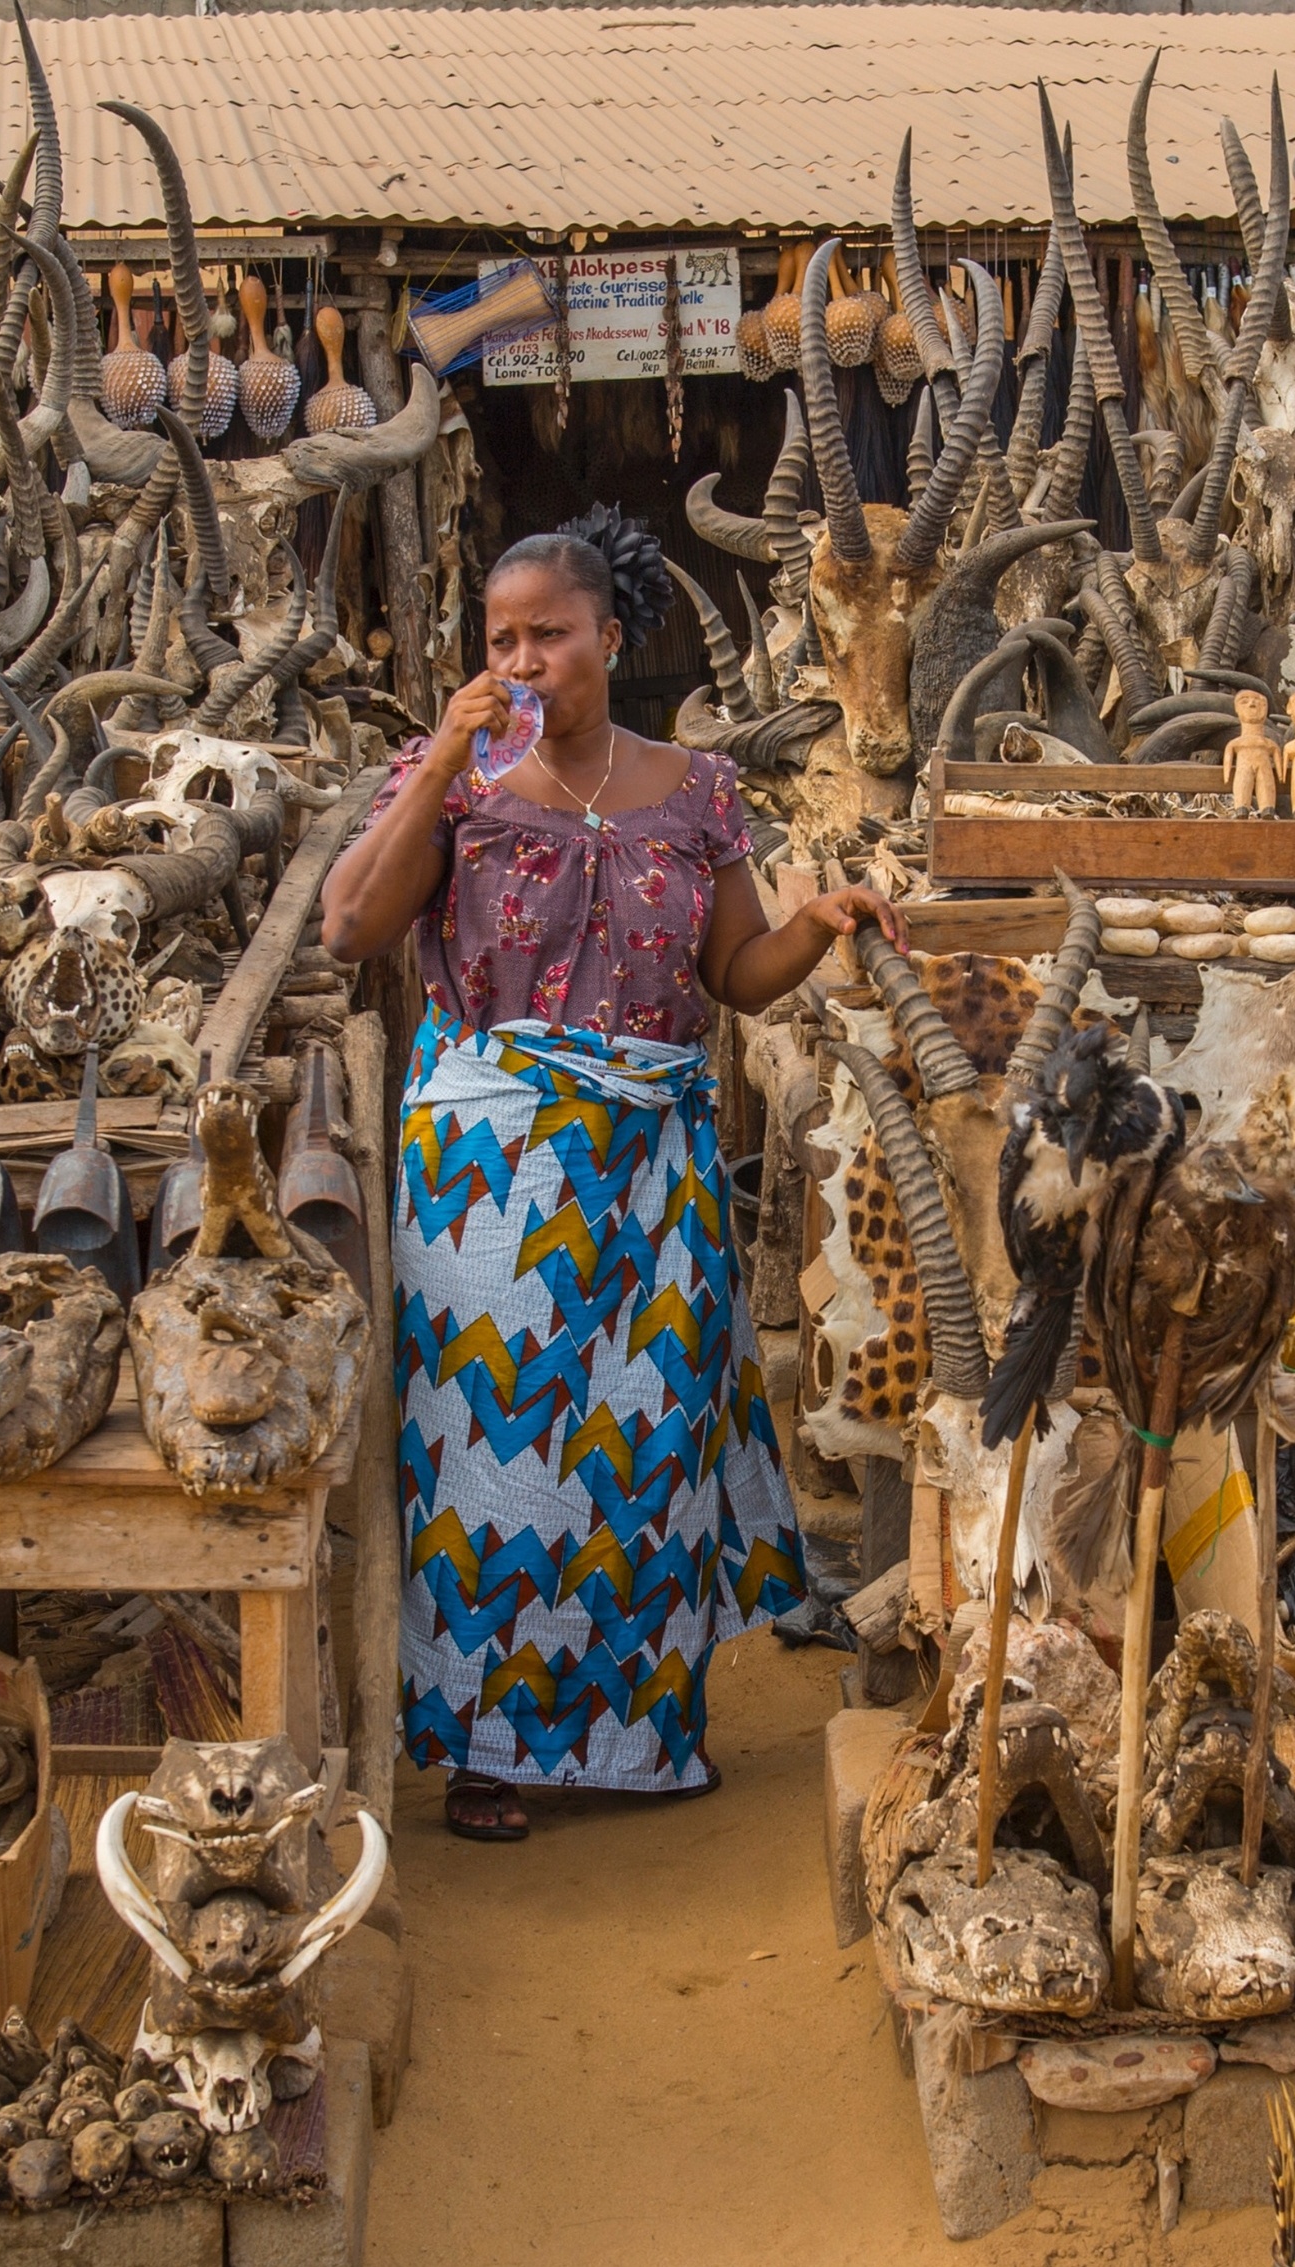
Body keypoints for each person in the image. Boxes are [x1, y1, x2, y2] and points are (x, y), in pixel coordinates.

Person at [320, 506, 899, 1841]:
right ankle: (489, 1748)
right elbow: (354, 922)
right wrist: (447, 758)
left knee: (646, 1438)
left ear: (610, 641)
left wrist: (812, 925)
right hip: (489, 1168)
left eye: (550, 636)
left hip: (656, 1160)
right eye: (499, 638)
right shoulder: (448, 773)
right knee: (490, 1460)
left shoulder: (698, 791)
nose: (522, 659)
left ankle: (637, 1734)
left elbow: (730, 977)